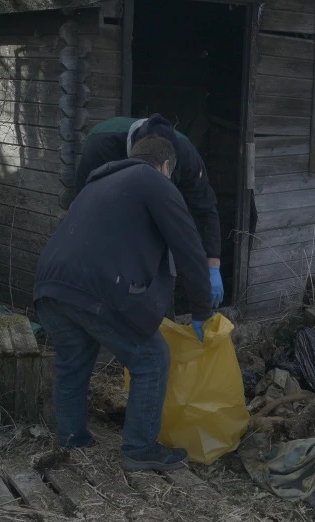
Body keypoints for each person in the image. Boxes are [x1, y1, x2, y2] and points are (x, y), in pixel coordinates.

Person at [34, 135, 214, 472]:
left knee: (72, 362)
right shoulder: (154, 182)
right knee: (152, 357)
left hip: (50, 285)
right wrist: (203, 310)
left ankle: (72, 438)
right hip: (97, 287)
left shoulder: (98, 182)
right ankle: (140, 448)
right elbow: (188, 248)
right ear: (165, 166)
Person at [77, 114, 225, 308]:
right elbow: (83, 206)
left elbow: (205, 209)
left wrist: (212, 266)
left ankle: (159, 308)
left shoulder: (186, 156)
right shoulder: (101, 148)